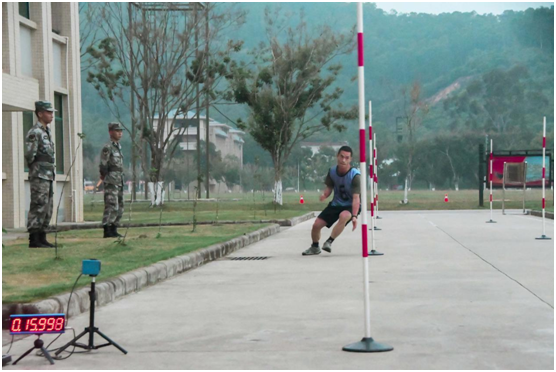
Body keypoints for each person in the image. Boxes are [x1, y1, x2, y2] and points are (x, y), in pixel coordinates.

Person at [303, 146, 361, 255]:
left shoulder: (355, 176)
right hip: (336, 204)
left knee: (344, 216)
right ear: (337, 156)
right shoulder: (332, 171)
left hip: (350, 205)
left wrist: (354, 216)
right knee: (316, 225)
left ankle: (329, 241)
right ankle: (315, 247)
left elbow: (356, 198)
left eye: (347, 158)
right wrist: (325, 195)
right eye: (341, 156)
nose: (343, 160)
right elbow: (330, 187)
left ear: (350, 159)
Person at [25, 101, 57, 248]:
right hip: (39, 175)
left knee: (47, 206)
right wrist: (36, 170)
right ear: (39, 114)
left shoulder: (47, 132)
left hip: (48, 175)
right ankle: (34, 238)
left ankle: (42, 236)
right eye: (48, 112)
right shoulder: (35, 132)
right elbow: (30, 154)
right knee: (38, 204)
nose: (51, 115)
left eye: (51, 112)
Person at [100, 122, 125, 238]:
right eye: (117, 131)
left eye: (121, 131)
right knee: (111, 205)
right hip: (111, 180)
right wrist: (105, 176)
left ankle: (114, 227)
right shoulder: (108, 147)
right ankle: (107, 228)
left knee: (120, 205)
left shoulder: (118, 147)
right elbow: (103, 164)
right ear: (111, 132)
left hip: (119, 180)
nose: (120, 133)